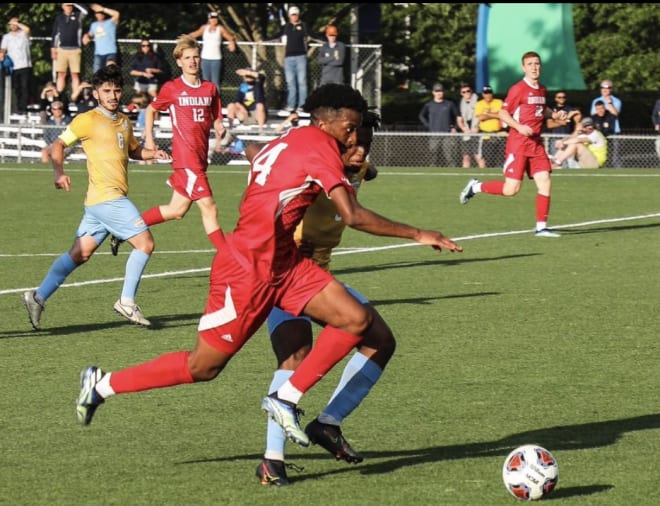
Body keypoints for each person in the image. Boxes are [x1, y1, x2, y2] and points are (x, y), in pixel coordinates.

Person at [73, 85, 463, 464]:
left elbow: (268, 158)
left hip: (285, 263)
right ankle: (103, 385)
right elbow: (353, 216)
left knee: (356, 320)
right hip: (246, 269)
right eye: (349, 129)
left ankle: (287, 401)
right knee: (204, 367)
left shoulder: (299, 139)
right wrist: (419, 232)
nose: (351, 138)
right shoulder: (320, 147)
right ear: (327, 122)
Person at [255, 112, 385, 486]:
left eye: (366, 146)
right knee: (295, 355)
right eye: (353, 144)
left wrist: (364, 166)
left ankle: (328, 423)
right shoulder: (314, 171)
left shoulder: (354, 171)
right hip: (285, 275)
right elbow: (256, 152)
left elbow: (365, 170)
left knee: (381, 341)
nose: (360, 152)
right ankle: (272, 460)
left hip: (320, 280)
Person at [21, 64, 171, 331]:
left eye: (116, 90)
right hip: (107, 198)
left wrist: (153, 154)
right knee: (145, 244)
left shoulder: (124, 121)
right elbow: (58, 145)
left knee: (81, 253)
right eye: (107, 91)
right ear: (97, 93)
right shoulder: (87, 119)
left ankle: (37, 296)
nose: (113, 95)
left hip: (98, 203)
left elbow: (134, 152)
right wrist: (59, 172)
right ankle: (126, 301)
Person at [110, 35, 228, 257]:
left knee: (177, 210)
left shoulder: (210, 89)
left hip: (200, 160)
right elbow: (152, 110)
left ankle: (124, 230)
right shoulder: (172, 88)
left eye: (196, 57)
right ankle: (231, 260)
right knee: (209, 207)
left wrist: (220, 125)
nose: (192, 61)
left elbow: (216, 115)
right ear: (179, 61)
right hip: (186, 159)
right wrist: (150, 139)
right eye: (187, 58)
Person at [459, 51, 567, 238]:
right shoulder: (518, 89)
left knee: (545, 182)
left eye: (537, 63)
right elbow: (503, 113)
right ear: (523, 67)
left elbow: (541, 109)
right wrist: (518, 126)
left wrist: (554, 115)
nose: (534, 67)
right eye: (530, 64)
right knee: (511, 190)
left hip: (536, 144)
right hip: (518, 145)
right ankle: (475, 187)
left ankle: (541, 227)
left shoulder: (541, 89)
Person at [187, 11, 236, 90]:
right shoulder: (204, 28)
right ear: (209, 19)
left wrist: (232, 43)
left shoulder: (220, 28)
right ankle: (206, 100)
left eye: (215, 18)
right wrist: (185, 39)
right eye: (212, 18)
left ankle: (216, 101)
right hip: (205, 58)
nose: (214, 20)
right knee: (205, 80)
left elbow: (230, 37)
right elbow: (194, 34)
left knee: (215, 82)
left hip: (216, 59)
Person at [418, 82, 464, 167]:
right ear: (433, 92)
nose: (439, 93)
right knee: (433, 156)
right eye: (437, 91)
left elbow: (458, 116)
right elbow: (421, 116)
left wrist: (455, 127)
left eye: (441, 91)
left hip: (447, 134)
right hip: (434, 134)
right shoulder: (429, 105)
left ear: (443, 92)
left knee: (449, 156)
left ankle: (453, 173)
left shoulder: (449, 104)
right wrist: (428, 125)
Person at [278, 5, 311, 113]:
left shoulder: (303, 26)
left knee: (302, 81)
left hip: (301, 56)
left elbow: (312, 35)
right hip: (289, 58)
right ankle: (291, 105)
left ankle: (303, 105)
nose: (294, 17)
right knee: (291, 82)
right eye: (292, 15)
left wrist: (324, 40)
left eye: (295, 14)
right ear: (289, 16)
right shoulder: (286, 27)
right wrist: (263, 40)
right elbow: (277, 35)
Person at [51, 3, 88, 94]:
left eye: (70, 5)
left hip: (75, 50)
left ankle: (75, 96)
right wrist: (53, 48)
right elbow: (55, 34)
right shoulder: (59, 18)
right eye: (67, 5)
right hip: (61, 50)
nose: (69, 7)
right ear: (62, 6)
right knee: (61, 74)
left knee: (75, 74)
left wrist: (75, 3)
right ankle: (59, 96)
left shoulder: (78, 16)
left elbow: (86, 11)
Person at [0, 17, 32, 116]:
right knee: (17, 88)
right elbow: (3, 49)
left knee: (24, 87)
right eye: (11, 24)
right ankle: (18, 107)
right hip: (13, 66)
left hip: (24, 65)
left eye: (14, 24)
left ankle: (24, 108)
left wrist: (18, 23)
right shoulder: (7, 37)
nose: (13, 26)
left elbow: (27, 30)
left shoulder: (23, 34)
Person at [474, 84, 505, 168]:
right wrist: (495, 114)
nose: (488, 95)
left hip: (498, 134)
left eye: (489, 93)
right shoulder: (479, 104)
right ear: (483, 94)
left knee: (501, 161)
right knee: (488, 161)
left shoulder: (499, 102)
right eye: (486, 93)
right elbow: (480, 117)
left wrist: (487, 114)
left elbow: (502, 115)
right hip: (486, 136)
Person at [83, 3, 120, 73]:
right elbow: (90, 35)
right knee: (97, 74)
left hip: (110, 52)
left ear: (104, 14)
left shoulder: (111, 22)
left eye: (101, 13)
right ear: (95, 14)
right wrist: (86, 36)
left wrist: (102, 9)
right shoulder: (93, 25)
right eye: (97, 13)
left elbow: (117, 14)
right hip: (98, 54)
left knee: (111, 71)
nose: (99, 14)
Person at [458, 83, 482, 168]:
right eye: (464, 92)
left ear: (471, 91)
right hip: (466, 133)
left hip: (476, 132)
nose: (466, 93)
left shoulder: (478, 100)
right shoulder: (460, 103)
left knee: (478, 156)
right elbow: (459, 119)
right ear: (461, 93)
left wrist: (477, 127)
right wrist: (464, 129)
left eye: (468, 91)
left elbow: (482, 115)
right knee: (466, 157)